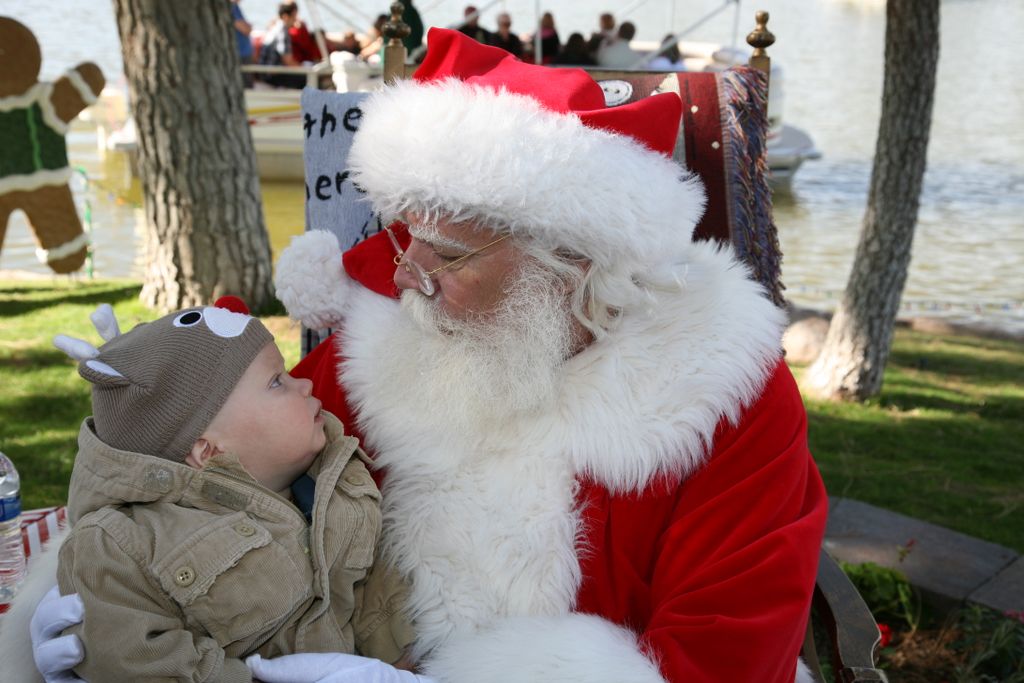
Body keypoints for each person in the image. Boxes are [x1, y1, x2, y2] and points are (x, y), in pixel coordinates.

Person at [28, 28, 826, 683]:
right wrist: (114, 596)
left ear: (573, 262)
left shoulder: (723, 390)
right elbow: (215, 461)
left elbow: (727, 655)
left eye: (445, 252)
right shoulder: (389, 344)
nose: (404, 274)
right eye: (400, 233)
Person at [46, 301, 416, 681]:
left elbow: (375, 590)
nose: (304, 384)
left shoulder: (332, 484)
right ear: (208, 450)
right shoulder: (121, 547)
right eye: (276, 382)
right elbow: (137, 661)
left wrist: (405, 656)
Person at [258, 2, 306, 87]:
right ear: (285, 17)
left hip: (267, 72)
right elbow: (287, 60)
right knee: (308, 79)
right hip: (271, 75)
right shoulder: (282, 32)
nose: (296, 20)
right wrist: (305, 69)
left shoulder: (275, 27)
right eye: (294, 16)